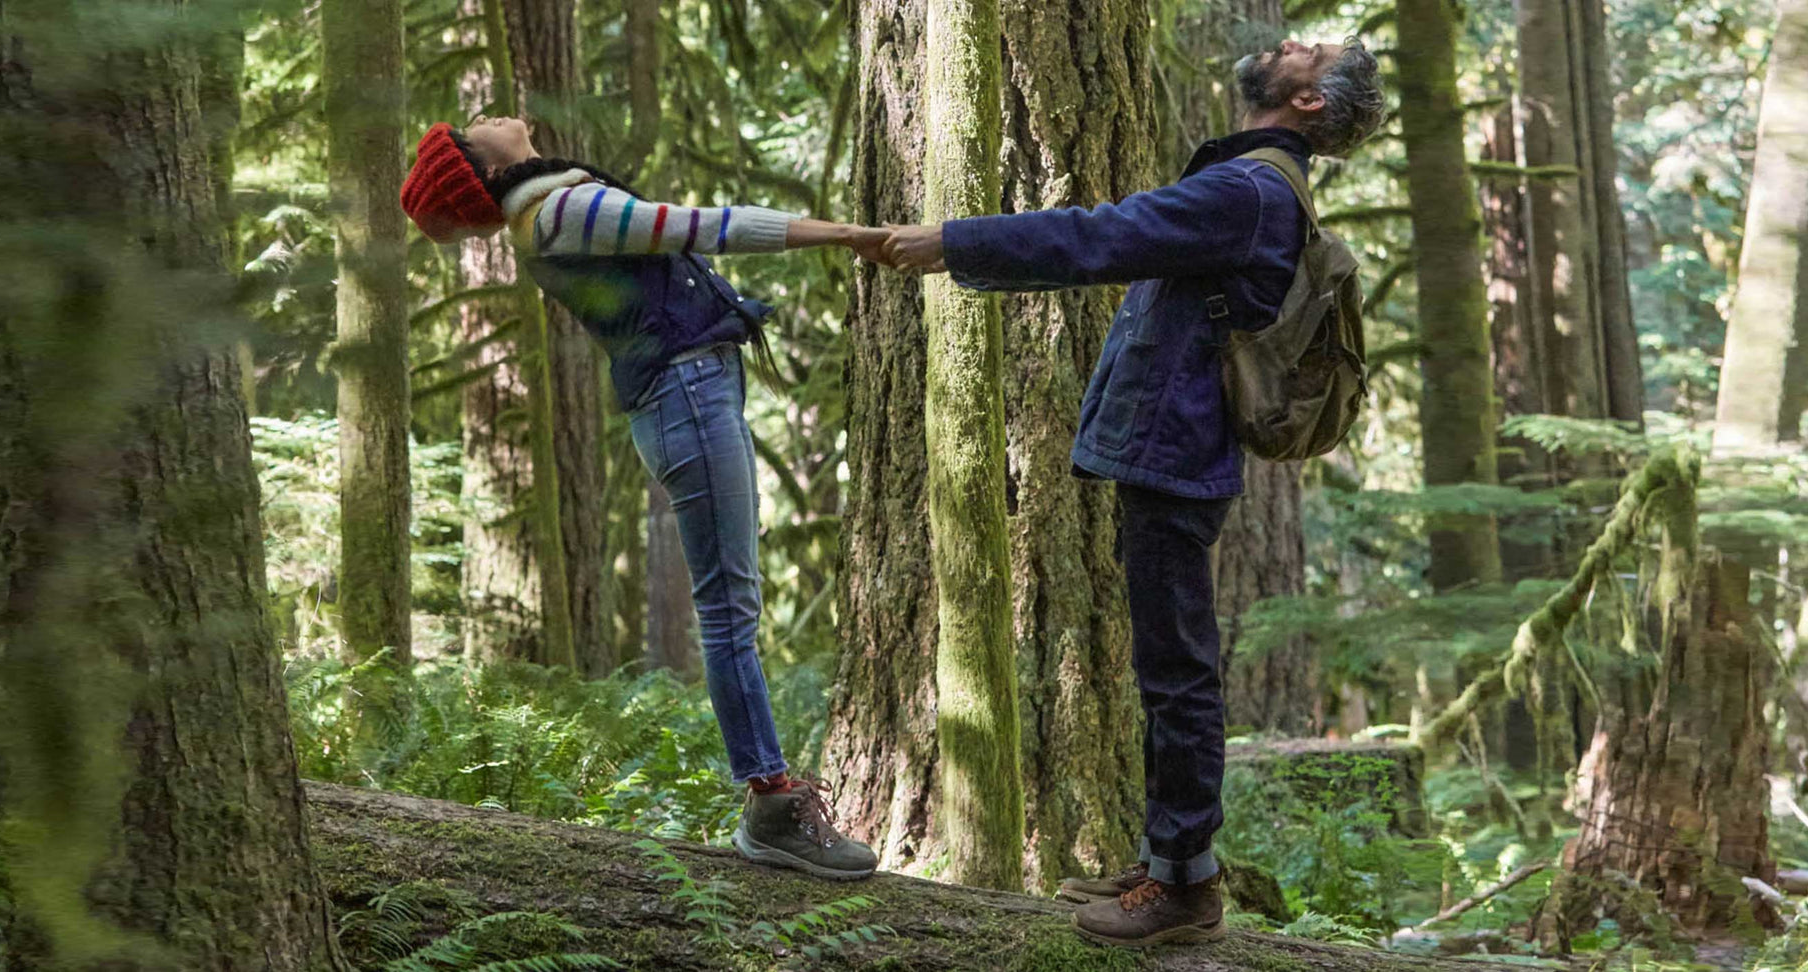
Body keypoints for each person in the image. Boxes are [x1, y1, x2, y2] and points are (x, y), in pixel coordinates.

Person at [876, 38, 1385, 946]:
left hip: (1178, 456)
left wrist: (951, 244)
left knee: (1177, 671)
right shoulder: (1257, 185)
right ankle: (1168, 866)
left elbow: (1097, 235)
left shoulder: (1250, 192)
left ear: (1309, 102)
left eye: (1310, 50)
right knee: (1169, 665)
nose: (1287, 42)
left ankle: (1184, 886)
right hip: (1176, 451)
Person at [399, 116, 885, 881]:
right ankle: (770, 806)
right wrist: (851, 234)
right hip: (685, 397)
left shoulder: (554, 199)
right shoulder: (559, 213)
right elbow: (700, 227)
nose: (488, 116)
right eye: (472, 129)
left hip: (692, 392)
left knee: (732, 605)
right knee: (730, 610)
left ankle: (772, 800)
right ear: (480, 168)